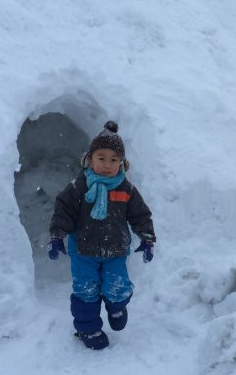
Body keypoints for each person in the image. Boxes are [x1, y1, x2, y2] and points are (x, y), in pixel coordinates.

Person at [48, 121, 157, 350]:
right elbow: (63, 211)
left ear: (122, 164)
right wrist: (57, 235)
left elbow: (140, 215)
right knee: (86, 291)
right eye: (101, 158)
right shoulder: (79, 187)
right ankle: (88, 329)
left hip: (116, 251)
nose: (107, 165)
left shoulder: (126, 190)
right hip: (83, 252)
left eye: (114, 160)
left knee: (117, 285)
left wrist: (147, 237)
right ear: (89, 159)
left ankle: (117, 307)